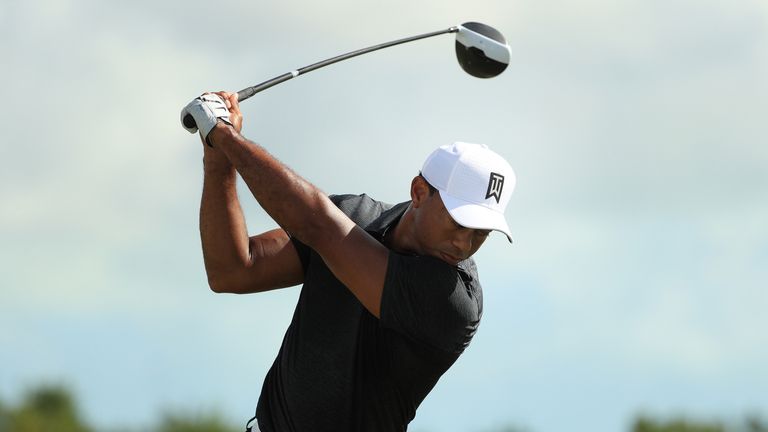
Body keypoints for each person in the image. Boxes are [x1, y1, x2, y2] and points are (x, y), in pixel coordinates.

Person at [181, 92, 516, 432]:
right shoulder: (356, 215)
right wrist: (217, 157)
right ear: (419, 192)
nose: (464, 243)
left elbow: (320, 225)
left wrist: (223, 133)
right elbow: (233, 271)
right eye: (459, 222)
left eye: (481, 233)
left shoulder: (452, 299)